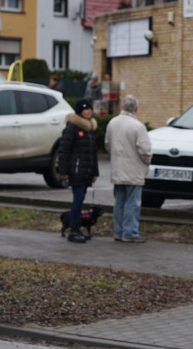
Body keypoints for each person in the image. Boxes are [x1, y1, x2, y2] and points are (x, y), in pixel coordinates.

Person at [105, 95, 152, 242]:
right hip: (134, 170)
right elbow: (145, 150)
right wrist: (146, 163)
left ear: (122, 107)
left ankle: (118, 232)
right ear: (136, 108)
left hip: (118, 169)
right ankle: (130, 233)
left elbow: (107, 144)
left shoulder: (112, 123)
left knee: (119, 201)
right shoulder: (138, 126)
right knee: (133, 203)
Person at [57, 99, 100, 243]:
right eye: (85, 109)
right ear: (79, 111)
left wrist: (94, 172)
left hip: (86, 172)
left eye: (90, 109)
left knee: (80, 200)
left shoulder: (89, 129)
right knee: (78, 199)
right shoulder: (72, 128)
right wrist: (63, 171)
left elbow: (93, 153)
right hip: (76, 172)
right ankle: (73, 230)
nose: (89, 111)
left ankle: (77, 228)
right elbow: (63, 150)